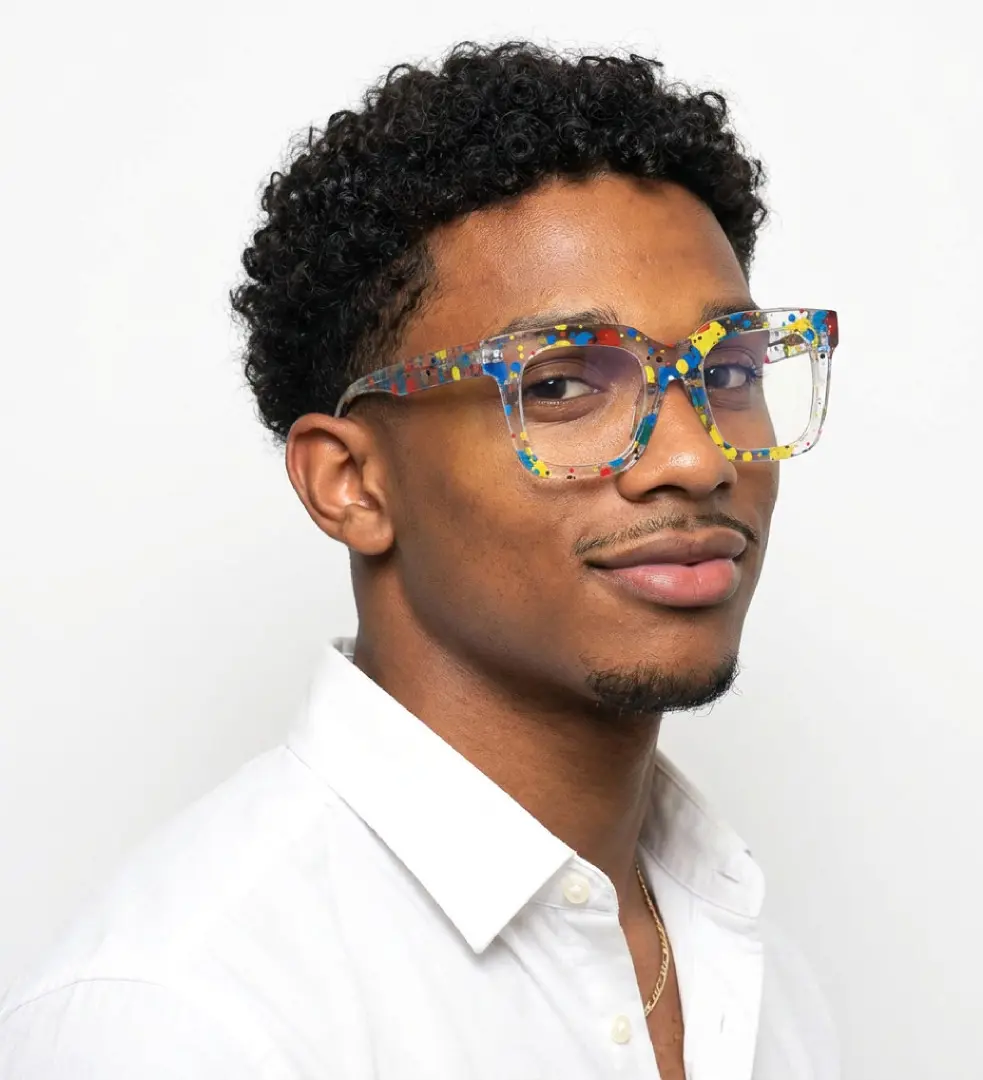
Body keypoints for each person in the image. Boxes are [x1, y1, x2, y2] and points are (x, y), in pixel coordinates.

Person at [0, 40, 841, 1080]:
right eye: (565, 385)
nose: (698, 455)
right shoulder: (185, 1020)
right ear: (351, 484)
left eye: (729, 370)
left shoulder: (736, 954)